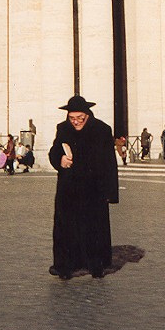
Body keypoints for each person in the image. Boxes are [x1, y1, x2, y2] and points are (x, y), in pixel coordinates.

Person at [49, 95, 118, 280]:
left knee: (94, 228)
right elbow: (54, 151)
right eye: (72, 118)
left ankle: (96, 265)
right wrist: (59, 160)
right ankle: (64, 266)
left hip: (93, 189)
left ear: (87, 115)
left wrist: (111, 193)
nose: (76, 122)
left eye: (80, 118)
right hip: (68, 189)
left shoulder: (102, 130)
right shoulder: (62, 129)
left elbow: (110, 163)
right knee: (66, 228)